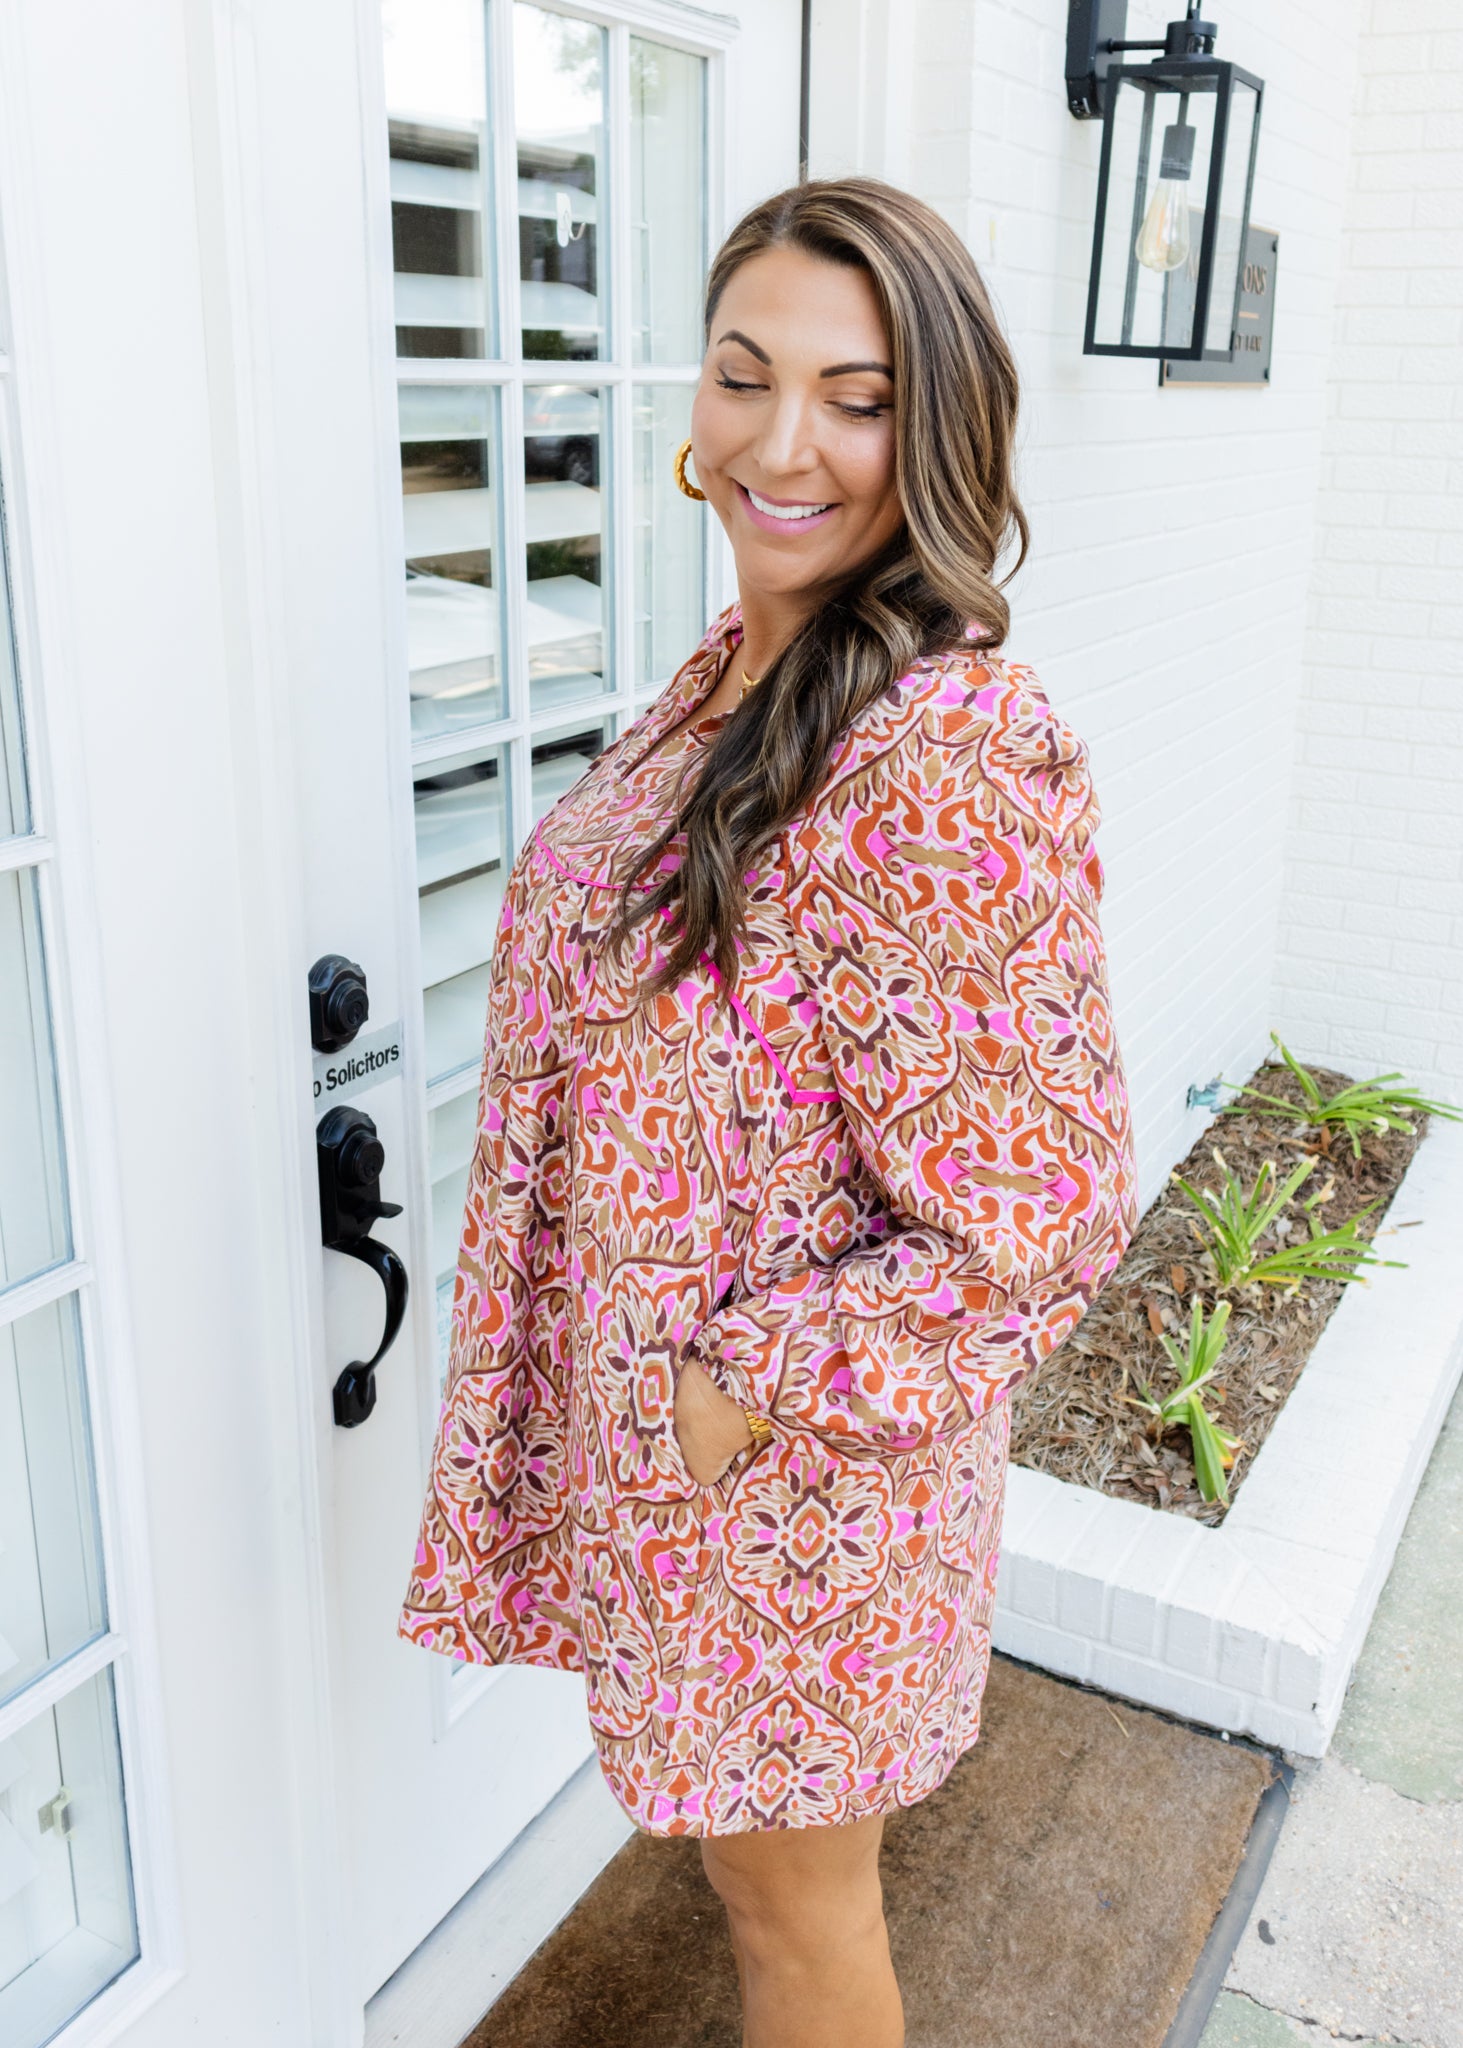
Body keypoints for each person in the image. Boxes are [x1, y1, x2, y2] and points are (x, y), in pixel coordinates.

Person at [400, 177, 1135, 2048]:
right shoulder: (738, 674)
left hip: (799, 1492)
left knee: (799, 1922)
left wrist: (733, 1388)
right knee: (749, 1887)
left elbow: (1043, 1214)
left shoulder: (945, 744)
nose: (781, 442)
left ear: (939, 426)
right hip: (707, 1486)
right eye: (743, 376)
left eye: (855, 396)